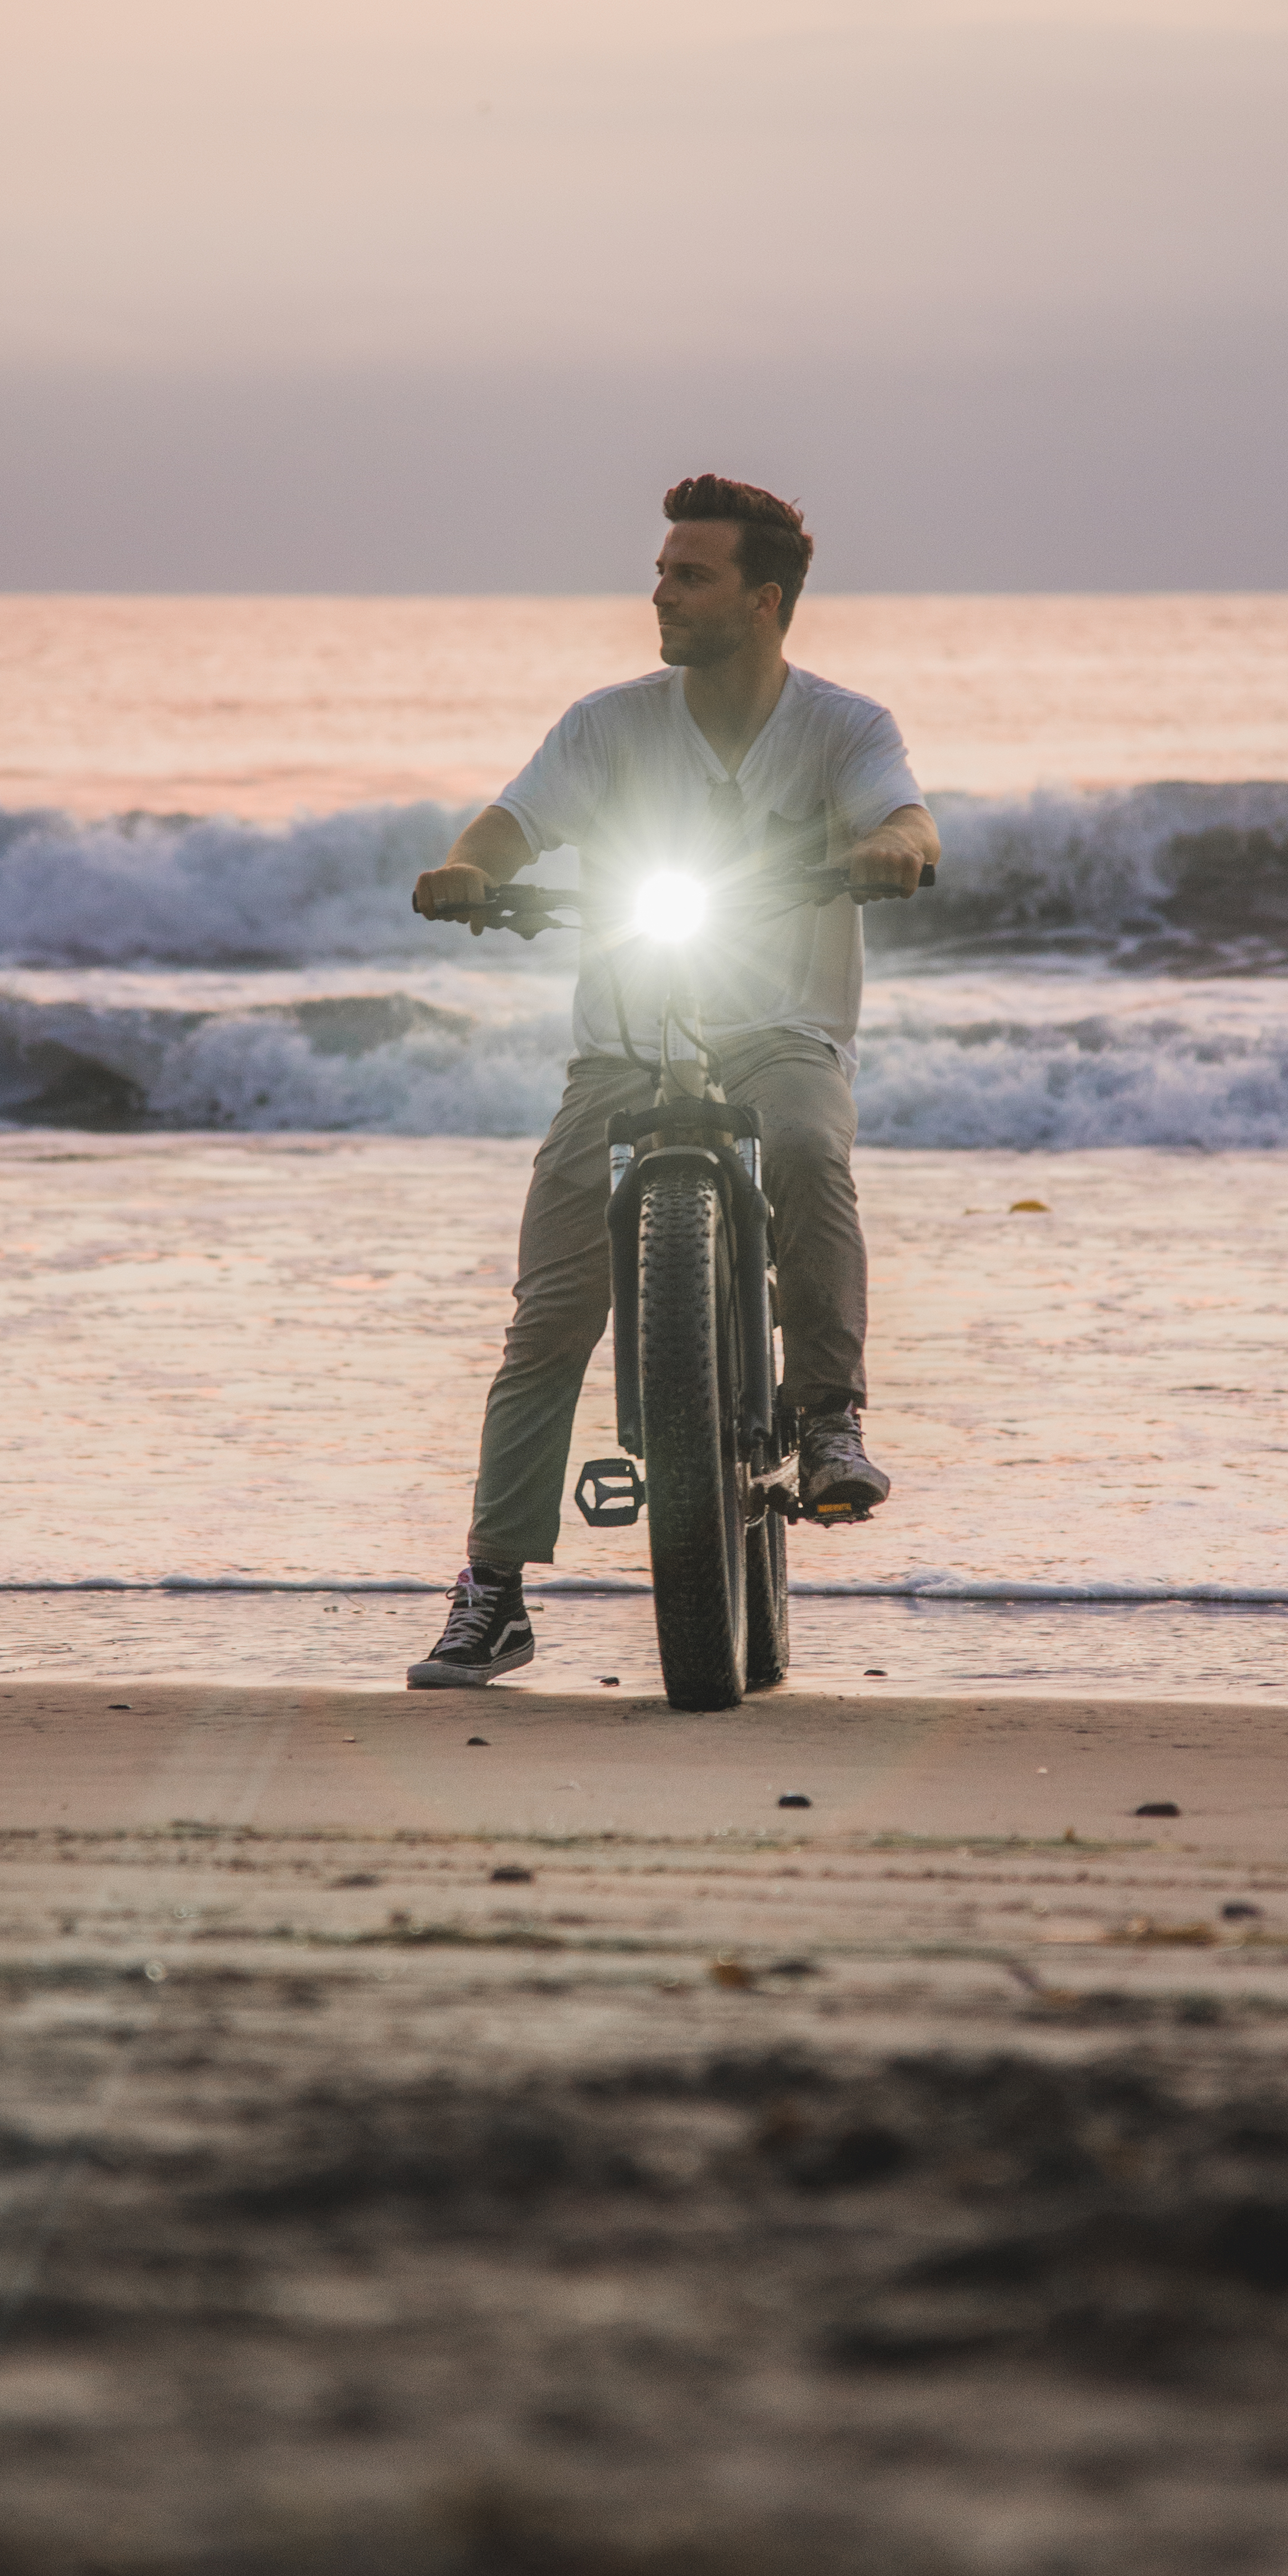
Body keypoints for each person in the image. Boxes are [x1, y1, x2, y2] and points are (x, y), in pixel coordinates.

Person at [406, 472, 940, 1690]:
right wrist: (463, 868)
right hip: (625, 1043)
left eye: (689, 575)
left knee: (806, 1146)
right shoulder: (609, 724)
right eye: (660, 570)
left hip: (783, 1034)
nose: (661, 591)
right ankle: (494, 1589)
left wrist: (888, 853)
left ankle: (825, 1421)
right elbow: (513, 822)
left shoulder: (843, 728)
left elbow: (907, 822)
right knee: (549, 1312)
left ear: (761, 602)